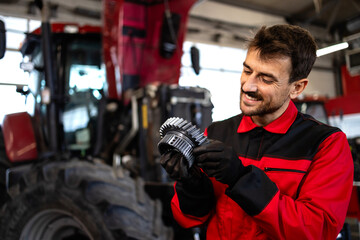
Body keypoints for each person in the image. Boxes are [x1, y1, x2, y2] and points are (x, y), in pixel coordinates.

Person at [160, 24, 354, 239]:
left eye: (266, 78)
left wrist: (240, 178)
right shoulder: (217, 132)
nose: (248, 86)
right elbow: (190, 219)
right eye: (247, 70)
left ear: (297, 88)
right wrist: (191, 183)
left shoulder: (325, 144)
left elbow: (317, 230)